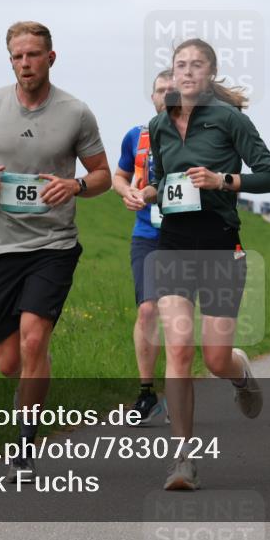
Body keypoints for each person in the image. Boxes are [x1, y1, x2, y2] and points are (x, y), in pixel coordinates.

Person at [0, 21, 112, 482]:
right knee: (8, 363)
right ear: (10, 60)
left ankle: (24, 446)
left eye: (33, 55)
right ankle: (29, 389)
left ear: (50, 58)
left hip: (53, 244)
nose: (25, 64)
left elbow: (102, 175)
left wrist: (75, 186)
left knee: (35, 339)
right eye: (17, 56)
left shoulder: (76, 113)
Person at [140, 38, 270, 490]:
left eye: (196, 65)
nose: (186, 72)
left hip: (220, 244)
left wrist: (223, 180)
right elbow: (160, 179)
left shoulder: (230, 119)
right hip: (173, 244)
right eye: (180, 64)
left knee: (215, 357)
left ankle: (239, 372)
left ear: (210, 73)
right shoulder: (158, 124)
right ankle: (182, 460)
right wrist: (146, 193)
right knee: (179, 350)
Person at [113, 69, 173, 425]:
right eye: (160, 90)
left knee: (176, 316)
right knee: (148, 311)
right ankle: (147, 393)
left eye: (172, 90)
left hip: (184, 237)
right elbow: (120, 175)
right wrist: (127, 193)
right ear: (152, 97)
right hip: (147, 235)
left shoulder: (195, 136)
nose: (166, 95)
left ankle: (178, 392)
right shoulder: (136, 136)